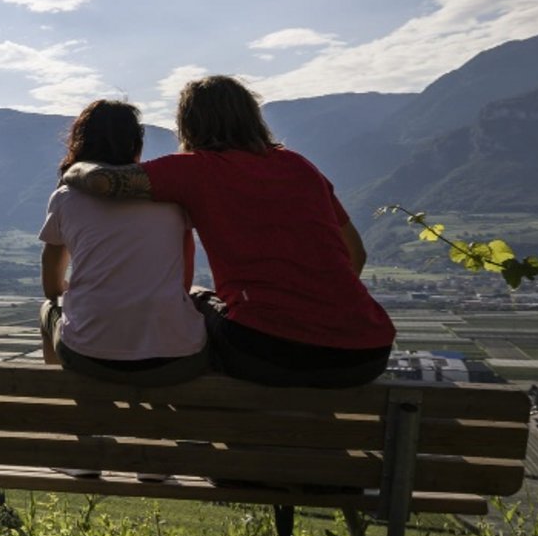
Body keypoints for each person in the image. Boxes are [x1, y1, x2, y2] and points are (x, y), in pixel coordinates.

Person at [60, 75, 393, 388]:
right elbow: (356, 253)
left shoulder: (196, 169)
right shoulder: (300, 166)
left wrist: (75, 168)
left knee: (194, 304)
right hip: (366, 353)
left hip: (266, 350)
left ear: (189, 124)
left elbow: (104, 182)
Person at [38, 99, 209, 386]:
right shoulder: (171, 196)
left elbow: (51, 286)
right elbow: (182, 277)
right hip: (177, 358)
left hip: (88, 355)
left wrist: (74, 293)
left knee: (48, 309)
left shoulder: (65, 197)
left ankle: (66, 400)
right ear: (136, 146)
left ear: (79, 144)